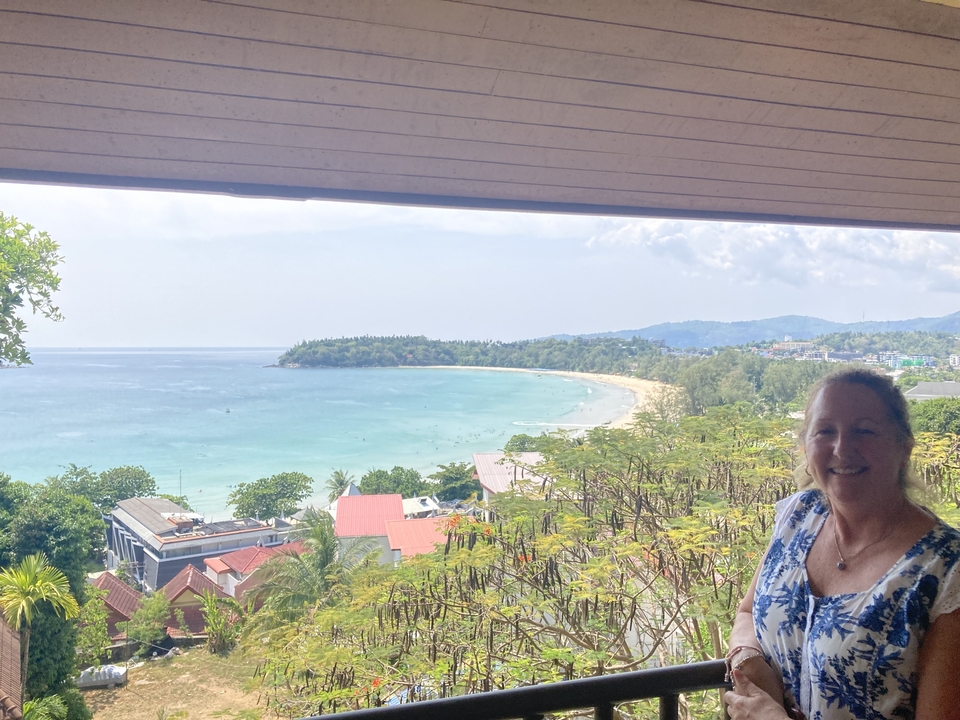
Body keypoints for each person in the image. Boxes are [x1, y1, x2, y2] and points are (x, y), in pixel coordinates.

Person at [724, 369, 960, 720]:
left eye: (864, 431)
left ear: (903, 446)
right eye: (825, 431)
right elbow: (747, 612)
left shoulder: (945, 572)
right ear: (807, 445)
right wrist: (747, 658)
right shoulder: (798, 516)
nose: (842, 448)